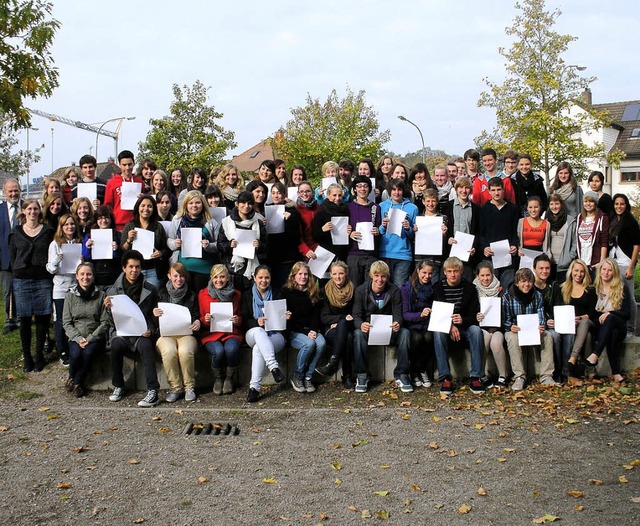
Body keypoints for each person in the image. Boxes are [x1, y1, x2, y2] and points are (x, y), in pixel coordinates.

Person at [104, 250, 160, 407]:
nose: (134, 270)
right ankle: (118, 385)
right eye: (131, 267)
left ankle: (153, 390)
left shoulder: (151, 289)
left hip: (142, 332)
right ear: (124, 268)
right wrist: (108, 309)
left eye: (137, 267)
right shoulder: (112, 291)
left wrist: (150, 329)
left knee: (146, 345)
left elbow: (154, 317)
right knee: (116, 345)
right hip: (122, 332)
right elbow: (110, 321)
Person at [352, 260, 412, 393]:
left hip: (389, 331)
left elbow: (398, 313)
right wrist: (361, 324)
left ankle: (402, 374)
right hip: (369, 330)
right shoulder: (361, 290)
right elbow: (356, 315)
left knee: (405, 333)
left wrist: (398, 322)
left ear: (387, 276)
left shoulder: (394, 290)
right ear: (371, 275)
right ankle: (362, 374)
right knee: (357, 334)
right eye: (377, 275)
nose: (380, 279)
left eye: (383, 276)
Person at [9, 199, 54, 372]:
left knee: (42, 318)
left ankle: (39, 356)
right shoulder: (16, 233)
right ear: (23, 211)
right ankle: (27, 356)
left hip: (42, 279)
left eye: (36, 209)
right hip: (22, 280)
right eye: (29, 209)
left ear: (40, 211)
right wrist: (18, 271)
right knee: (25, 319)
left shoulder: (48, 231)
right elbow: (13, 255)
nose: (33, 212)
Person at [432, 256, 487, 395]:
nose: (452, 274)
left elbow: (475, 315)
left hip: (465, 327)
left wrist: (463, 320)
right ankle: (445, 378)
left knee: (476, 331)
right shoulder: (437, 288)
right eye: (449, 271)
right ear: (444, 272)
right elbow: (436, 314)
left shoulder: (469, 288)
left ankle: (476, 376)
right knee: (437, 333)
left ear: (461, 271)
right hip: (446, 327)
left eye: (455, 271)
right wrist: (450, 326)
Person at [153, 262, 200, 403]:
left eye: (181, 276)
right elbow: (154, 321)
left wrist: (198, 322)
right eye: (175, 276)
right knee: (169, 351)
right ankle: (175, 388)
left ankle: (189, 387)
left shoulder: (192, 294)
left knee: (185, 352)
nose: (178, 279)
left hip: (186, 334)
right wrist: (154, 314)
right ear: (169, 276)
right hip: (165, 334)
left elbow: (197, 315)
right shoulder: (161, 293)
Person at [502, 268, 556, 391]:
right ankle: (519, 376)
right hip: (515, 330)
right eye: (523, 281)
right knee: (512, 338)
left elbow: (541, 315)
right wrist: (510, 326)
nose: (527, 284)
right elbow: (505, 319)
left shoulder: (537, 295)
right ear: (517, 283)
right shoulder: (507, 297)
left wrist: (542, 326)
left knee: (547, 336)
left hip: (533, 330)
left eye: (529, 281)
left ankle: (546, 376)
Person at [242, 265, 288, 403]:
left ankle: (254, 388)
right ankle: (273, 366)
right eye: (260, 277)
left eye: (266, 277)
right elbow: (244, 320)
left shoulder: (278, 293)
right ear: (255, 278)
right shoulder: (247, 295)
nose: (264, 280)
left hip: (275, 335)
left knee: (258, 348)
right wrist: (257, 322)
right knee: (259, 331)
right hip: (253, 333)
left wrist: (286, 317)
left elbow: (283, 321)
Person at [62, 262, 108, 397]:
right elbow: (66, 322)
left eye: (88, 274)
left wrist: (90, 338)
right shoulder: (69, 296)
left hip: (95, 337)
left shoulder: (101, 295)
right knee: (75, 355)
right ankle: (71, 376)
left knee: (87, 354)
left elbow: (104, 322)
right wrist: (77, 338)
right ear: (77, 276)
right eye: (82, 274)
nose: (85, 277)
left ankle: (77, 382)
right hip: (76, 336)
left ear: (93, 276)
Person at [281, 262, 326, 393]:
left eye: (306, 274)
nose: (303, 277)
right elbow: (290, 321)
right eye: (300, 274)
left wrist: (313, 330)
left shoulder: (313, 292)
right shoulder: (286, 292)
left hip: (311, 330)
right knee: (309, 344)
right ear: (293, 276)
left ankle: (308, 376)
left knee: (322, 343)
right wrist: (307, 332)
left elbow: (316, 316)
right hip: (294, 331)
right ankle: (298, 375)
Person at [199, 264, 243, 395]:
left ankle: (229, 378)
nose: (219, 280)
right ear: (211, 278)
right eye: (216, 277)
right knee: (218, 351)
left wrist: (237, 320)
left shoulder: (236, 295)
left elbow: (242, 316)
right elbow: (200, 317)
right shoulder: (203, 294)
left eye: (222, 277)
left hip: (231, 332)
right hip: (210, 334)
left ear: (228, 278)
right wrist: (205, 320)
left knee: (231, 349)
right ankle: (218, 378)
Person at [585, 259, 631, 383]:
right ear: (600, 271)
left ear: (614, 272)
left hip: (619, 324)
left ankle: (596, 354)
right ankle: (616, 373)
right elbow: (593, 314)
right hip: (601, 327)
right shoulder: (594, 288)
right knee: (612, 333)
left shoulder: (622, 288)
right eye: (604, 269)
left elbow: (627, 314)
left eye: (610, 270)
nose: (606, 272)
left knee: (611, 320)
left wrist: (610, 313)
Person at [46, 213, 83, 366]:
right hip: (60, 288)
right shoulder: (55, 244)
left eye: (72, 224)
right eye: (66, 224)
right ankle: (62, 351)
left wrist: (82, 261)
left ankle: (74, 347)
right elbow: (50, 269)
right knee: (60, 319)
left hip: (76, 287)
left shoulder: (78, 242)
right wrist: (58, 258)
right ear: (61, 227)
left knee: (74, 319)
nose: (70, 227)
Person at [167, 190, 220, 293]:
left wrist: (209, 246)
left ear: (203, 204)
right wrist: (174, 243)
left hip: (205, 269)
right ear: (186, 205)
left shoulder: (210, 222)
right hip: (183, 270)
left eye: (197, 203)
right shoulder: (177, 220)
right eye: (191, 203)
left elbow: (219, 244)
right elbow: (169, 239)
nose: (194, 206)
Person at [316, 261, 356, 389]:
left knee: (347, 333)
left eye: (341, 273)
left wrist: (339, 322)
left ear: (346, 274)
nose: (338, 277)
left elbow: (355, 315)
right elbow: (324, 317)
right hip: (330, 330)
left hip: (350, 327)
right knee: (347, 334)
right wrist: (341, 319)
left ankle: (332, 364)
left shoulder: (353, 291)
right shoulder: (324, 291)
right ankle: (347, 376)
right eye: (334, 274)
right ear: (331, 275)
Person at [218, 190, 268, 291]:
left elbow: (266, 245)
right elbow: (220, 245)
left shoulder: (258, 222)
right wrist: (229, 245)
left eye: (249, 203)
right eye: (243, 202)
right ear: (237, 204)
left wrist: (259, 245)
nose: (246, 206)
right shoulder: (227, 222)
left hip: (252, 269)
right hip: (233, 269)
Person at [120, 195, 170, 291]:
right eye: (143, 205)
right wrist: (129, 240)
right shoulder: (130, 226)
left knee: (150, 297)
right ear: (138, 207)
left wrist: (160, 253)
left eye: (149, 206)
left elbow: (166, 250)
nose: (146, 209)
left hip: (153, 270)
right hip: (134, 270)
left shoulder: (158, 227)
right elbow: (123, 250)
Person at [561, 259, 597, 385]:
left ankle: (573, 358)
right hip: (570, 324)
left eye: (582, 271)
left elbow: (592, 313)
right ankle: (589, 368)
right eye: (576, 270)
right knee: (586, 336)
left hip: (588, 323)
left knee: (585, 322)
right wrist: (570, 320)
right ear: (571, 271)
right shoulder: (563, 289)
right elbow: (560, 310)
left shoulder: (590, 290)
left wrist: (579, 318)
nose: (579, 274)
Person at [479, 177, 520, 289]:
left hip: (508, 257)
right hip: (490, 256)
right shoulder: (483, 210)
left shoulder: (512, 209)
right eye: (493, 190)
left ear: (503, 190)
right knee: (491, 289)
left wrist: (514, 245)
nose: (496, 193)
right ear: (489, 191)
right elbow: (480, 233)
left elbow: (516, 231)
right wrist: (484, 247)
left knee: (508, 288)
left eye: (499, 189)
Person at [401, 259, 435, 389]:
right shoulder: (406, 288)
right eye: (424, 272)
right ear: (418, 271)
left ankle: (423, 370)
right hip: (412, 324)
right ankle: (415, 371)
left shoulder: (433, 288)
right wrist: (420, 315)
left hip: (427, 324)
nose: (427, 276)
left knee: (428, 337)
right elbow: (405, 314)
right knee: (416, 338)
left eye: (430, 273)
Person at [609, 193, 640, 335]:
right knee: (616, 296)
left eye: (621, 204)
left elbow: (636, 246)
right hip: (613, 263)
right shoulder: (613, 220)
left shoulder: (631, 222)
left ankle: (631, 328)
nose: (619, 206)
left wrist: (631, 266)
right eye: (616, 204)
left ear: (626, 205)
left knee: (630, 297)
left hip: (625, 263)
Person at [474, 261, 508, 388]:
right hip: (481, 326)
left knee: (496, 343)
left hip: (498, 327)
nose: (485, 278)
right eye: (482, 275)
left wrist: (495, 327)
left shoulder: (500, 288)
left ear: (492, 275)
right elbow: (471, 310)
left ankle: (503, 376)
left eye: (488, 275)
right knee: (485, 339)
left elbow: (504, 311)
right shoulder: (473, 289)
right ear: (477, 276)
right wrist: (476, 316)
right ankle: (481, 375)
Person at [378, 179, 417, 286]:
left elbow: (414, 236)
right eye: (394, 189)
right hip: (385, 253)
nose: (396, 192)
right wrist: (383, 226)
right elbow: (377, 232)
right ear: (389, 191)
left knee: (399, 288)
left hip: (403, 255)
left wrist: (408, 228)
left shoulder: (412, 208)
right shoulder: (381, 206)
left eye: (399, 189)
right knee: (384, 287)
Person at [443, 177, 480, 281]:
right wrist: (447, 239)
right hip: (451, 253)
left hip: (468, 254)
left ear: (470, 190)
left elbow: (478, 231)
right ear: (456, 189)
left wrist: (474, 247)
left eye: (467, 188)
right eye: (460, 187)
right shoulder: (447, 207)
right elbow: (443, 229)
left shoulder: (476, 209)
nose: (464, 191)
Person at [346, 175, 381, 287]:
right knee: (354, 287)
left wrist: (378, 231)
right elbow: (343, 227)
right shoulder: (348, 207)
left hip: (371, 254)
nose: (362, 189)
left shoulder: (375, 207)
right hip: (354, 253)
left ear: (369, 189)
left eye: (365, 186)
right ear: (354, 189)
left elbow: (381, 228)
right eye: (359, 186)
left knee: (370, 288)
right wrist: (350, 233)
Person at [265, 182, 301, 288]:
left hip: (287, 258)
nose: (276, 196)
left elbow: (296, 236)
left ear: (284, 195)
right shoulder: (267, 210)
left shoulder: (292, 211)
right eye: (274, 193)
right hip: (272, 257)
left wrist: (290, 221)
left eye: (279, 193)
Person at [104, 150, 145, 231]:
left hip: (136, 224)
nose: (127, 168)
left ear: (134, 163)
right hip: (118, 225)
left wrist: (143, 199)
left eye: (130, 164)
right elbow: (108, 205)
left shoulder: (140, 182)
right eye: (124, 165)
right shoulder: (112, 183)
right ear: (119, 165)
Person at [82, 205, 121, 289]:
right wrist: (88, 248)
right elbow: (85, 258)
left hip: (113, 278)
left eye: (106, 217)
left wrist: (116, 249)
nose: (103, 220)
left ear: (111, 219)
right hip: (96, 278)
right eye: (100, 218)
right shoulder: (89, 236)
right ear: (96, 220)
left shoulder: (118, 235)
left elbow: (121, 258)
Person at [0, 177, 21, 334]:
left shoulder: (27, 208)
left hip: (22, 258)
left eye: (16, 190)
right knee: (8, 290)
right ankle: (9, 319)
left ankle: (21, 317)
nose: (13, 193)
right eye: (10, 191)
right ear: (4, 192)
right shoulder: (0, 211)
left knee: (20, 289)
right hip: (5, 258)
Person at [414, 188, 448, 282]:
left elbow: (445, 242)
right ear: (423, 202)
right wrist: (414, 231)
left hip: (435, 259)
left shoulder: (443, 218)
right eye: (428, 201)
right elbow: (413, 239)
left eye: (433, 201)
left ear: (437, 202)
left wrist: (444, 234)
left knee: (434, 285)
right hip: (420, 258)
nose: (430, 204)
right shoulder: (418, 219)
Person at [311, 183, 350, 264]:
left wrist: (350, 230)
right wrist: (323, 229)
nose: (337, 198)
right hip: (327, 254)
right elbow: (315, 236)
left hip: (343, 253)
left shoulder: (346, 210)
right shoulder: (321, 211)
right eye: (334, 195)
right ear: (328, 195)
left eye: (340, 195)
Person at [576, 191, 609, 279]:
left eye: (591, 201)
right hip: (581, 263)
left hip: (595, 263)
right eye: (586, 201)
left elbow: (604, 241)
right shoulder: (579, 218)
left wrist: (601, 262)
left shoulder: (602, 218)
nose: (588, 204)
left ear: (595, 203)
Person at [546, 193, 577, 283]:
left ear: (561, 205)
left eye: (557, 203)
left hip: (565, 264)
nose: (554, 207)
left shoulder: (570, 221)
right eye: (551, 204)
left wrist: (569, 257)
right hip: (550, 263)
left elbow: (575, 242)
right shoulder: (547, 221)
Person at [295, 180, 321, 261]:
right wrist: (305, 250)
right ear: (298, 194)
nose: (305, 194)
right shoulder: (296, 210)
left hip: (320, 251)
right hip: (305, 253)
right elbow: (297, 236)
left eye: (307, 191)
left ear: (313, 192)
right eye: (301, 191)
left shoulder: (319, 208)